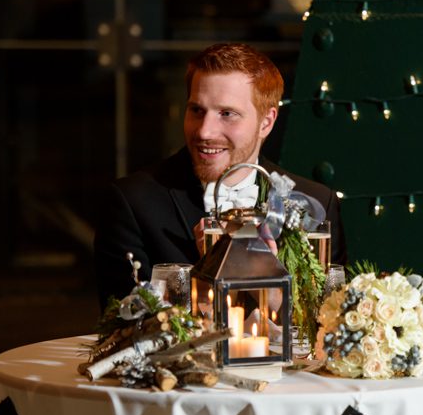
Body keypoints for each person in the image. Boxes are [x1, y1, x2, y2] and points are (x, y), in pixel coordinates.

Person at [94, 43, 346, 307]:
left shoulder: (316, 204)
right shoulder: (133, 202)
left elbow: (328, 324)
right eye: (196, 110)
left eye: (227, 114)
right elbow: (123, 326)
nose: (204, 131)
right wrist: (207, 273)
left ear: (266, 122)